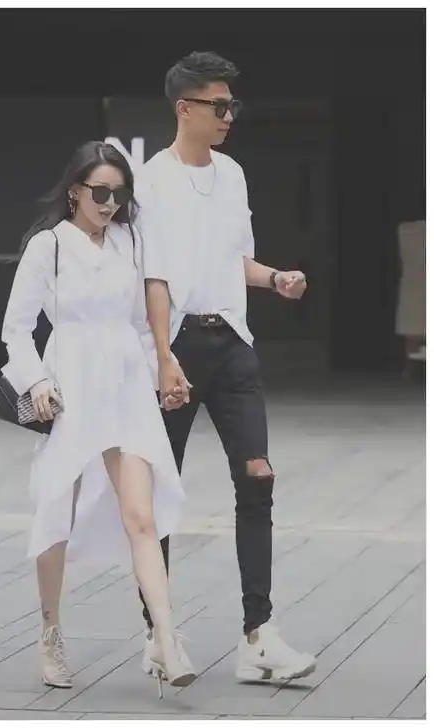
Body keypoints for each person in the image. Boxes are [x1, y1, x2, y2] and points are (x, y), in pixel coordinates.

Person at [135, 51, 317, 684]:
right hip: (176, 343)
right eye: (218, 105)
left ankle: (258, 637)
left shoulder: (233, 174)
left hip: (232, 340)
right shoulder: (153, 181)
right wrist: (163, 357)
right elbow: (155, 277)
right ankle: (159, 634)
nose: (228, 115)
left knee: (258, 477)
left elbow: (237, 258)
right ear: (183, 108)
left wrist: (276, 278)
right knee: (159, 491)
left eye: (232, 105)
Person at [0, 141, 196, 695]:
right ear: (75, 191)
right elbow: (16, 329)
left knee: (141, 516)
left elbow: (144, 319)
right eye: (101, 193)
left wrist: (162, 368)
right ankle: (50, 632)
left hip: (125, 383)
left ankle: (166, 636)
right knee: (55, 514)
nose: (111, 204)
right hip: (70, 383)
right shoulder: (48, 246)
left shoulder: (130, 241)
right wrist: (37, 381)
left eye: (119, 194)